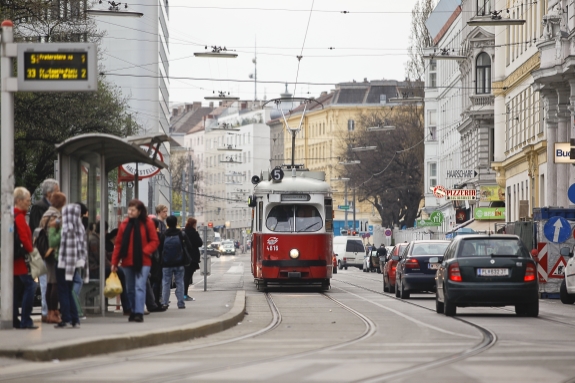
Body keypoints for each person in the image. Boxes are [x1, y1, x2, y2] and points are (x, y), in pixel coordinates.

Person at [111, 199, 159, 323]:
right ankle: (133, 310)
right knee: (130, 288)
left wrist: (145, 251)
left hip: (143, 261)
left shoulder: (147, 223)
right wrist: (114, 262)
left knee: (139, 286)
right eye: (129, 209)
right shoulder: (125, 224)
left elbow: (154, 241)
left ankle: (139, 312)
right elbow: (119, 244)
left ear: (139, 211)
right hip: (127, 261)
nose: (130, 212)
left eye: (133, 210)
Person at [29, 178, 59, 324]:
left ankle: (49, 310)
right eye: (57, 191)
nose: (59, 194)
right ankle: (46, 311)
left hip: (50, 250)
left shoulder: (53, 208)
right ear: (49, 193)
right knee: (45, 282)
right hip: (43, 249)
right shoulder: (39, 207)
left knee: (50, 282)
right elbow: (35, 229)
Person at [55, 203, 89, 328]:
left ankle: (67, 318)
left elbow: (67, 248)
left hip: (64, 263)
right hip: (74, 263)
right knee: (69, 291)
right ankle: (75, 318)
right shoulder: (79, 227)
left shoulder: (67, 228)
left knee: (63, 291)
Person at [89, 221, 132, 316]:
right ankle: (127, 307)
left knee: (121, 272)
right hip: (95, 270)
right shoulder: (94, 240)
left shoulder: (96, 239)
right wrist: (113, 266)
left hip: (96, 268)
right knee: (121, 273)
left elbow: (103, 256)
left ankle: (127, 306)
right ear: (104, 230)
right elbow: (101, 258)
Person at [40, 191, 66, 324]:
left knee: (50, 283)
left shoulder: (45, 214)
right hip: (54, 251)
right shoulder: (56, 216)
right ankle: (53, 313)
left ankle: (50, 312)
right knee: (55, 283)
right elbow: (56, 235)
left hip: (45, 252)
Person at [13, 187, 37, 329]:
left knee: (15, 289)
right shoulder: (20, 217)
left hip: (13, 259)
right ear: (19, 201)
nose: (29, 203)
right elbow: (24, 238)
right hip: (21, 260)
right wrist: (32, 251)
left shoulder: (12, 216)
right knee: (31, 285)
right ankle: (26, 319)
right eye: (27, 200)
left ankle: (14, 319)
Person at [160, 215, 195, 309]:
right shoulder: (181, 234)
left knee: (166, 283)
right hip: (179, 262)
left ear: (167, 224)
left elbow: (160, 249)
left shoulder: (163, 234)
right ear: (176, 223)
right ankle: (180, 303)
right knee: (180, 282)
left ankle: (165, 303)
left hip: (166, 263)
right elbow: (189, 246)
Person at [183, 217, 203, 301]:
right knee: (187, 277)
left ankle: (183, 294)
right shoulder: (194, 233)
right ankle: (184, 295)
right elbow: (200, 243)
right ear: (194, 224)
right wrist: (196, 233)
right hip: (192, 257)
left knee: (184, 276)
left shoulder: (183, 232)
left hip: (183, 256)